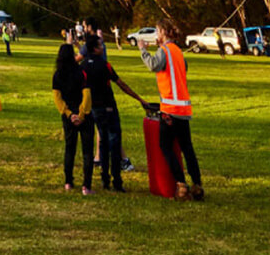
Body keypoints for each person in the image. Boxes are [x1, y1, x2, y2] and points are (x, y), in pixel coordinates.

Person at [142, 19, 203, 201]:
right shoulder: (178, 52)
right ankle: (197, 184)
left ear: (163, 32)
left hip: (169, 109)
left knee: (165, 146)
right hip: (184, 109)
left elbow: (154, 65)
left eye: (157, 31)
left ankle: (180, 184)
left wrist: (142, 50)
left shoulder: (165, 51)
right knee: (187, 148)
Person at [82, 35, 147, 192]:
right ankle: (117, 181)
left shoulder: (83, 66)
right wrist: (139, 98)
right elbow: (121, 84)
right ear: (95, 49)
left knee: (103, 142)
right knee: (114, 142)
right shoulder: (105, 65)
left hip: (94, 109)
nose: (102, 47)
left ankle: (105, 179)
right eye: (100, 45)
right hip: (108, 108)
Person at [52, 43, 94, 195]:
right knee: (87, 151)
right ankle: (86, 186)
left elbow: (57, 98)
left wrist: (68, 114)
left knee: (70, 149)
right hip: (84, 115)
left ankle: (68, 182)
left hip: (68, 116)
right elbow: (87, 94)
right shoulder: (81, 72)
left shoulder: (57, 74)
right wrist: (82, 114)